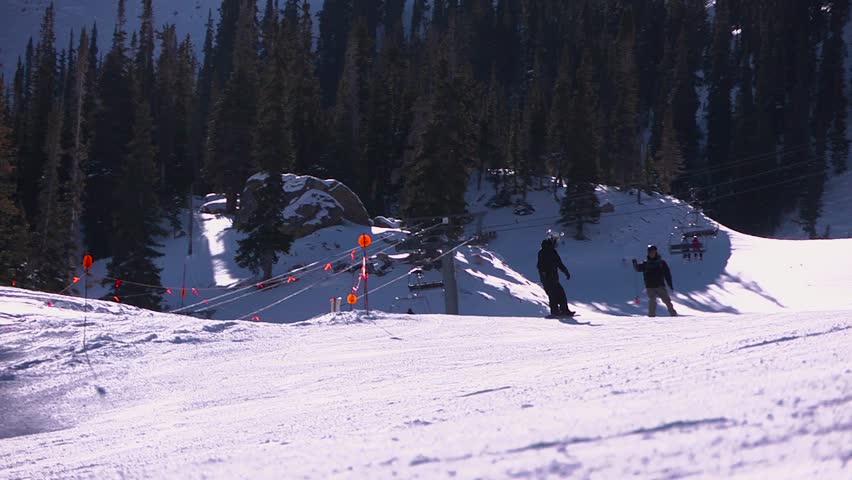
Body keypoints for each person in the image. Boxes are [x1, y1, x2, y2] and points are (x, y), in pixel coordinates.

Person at [632, 244, 678, 317]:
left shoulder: (661, 263)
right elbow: (638, 269)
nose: (652, 254)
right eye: (650, 252)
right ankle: (651, 317)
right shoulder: (645, 263)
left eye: (653, 252)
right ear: (648, 253)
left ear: (656, 252)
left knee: (667, 300)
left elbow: (667, 274)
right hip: (650, 286)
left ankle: (673, 314)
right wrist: (634, 264)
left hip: (660, 285)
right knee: (652, 301)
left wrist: (670, 284)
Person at [537, 235, 574, 316]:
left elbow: (559, 263)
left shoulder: (553, 251)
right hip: (547, 278)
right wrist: (544, 272)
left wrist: (565, 272)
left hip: (554, 278)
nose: (556, 244)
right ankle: (555, 311)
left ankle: (564, 310)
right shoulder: (542, 252)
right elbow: (540, 265)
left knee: (560, 293)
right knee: (553, 294)